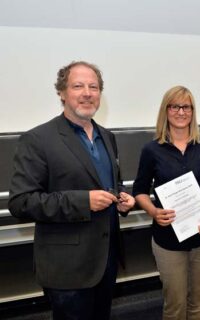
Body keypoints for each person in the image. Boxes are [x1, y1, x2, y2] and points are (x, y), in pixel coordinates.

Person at [8, 61, 136, 319]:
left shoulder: (107, 137)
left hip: (106, 262)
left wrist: (121, 197)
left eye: (94, 87)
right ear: (62, 93)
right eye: (78, 86)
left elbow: (110, 183)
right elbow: (21, 202)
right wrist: (83, 201)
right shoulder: (38, 140)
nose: (87, 93)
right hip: (67, 269)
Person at [133, 85, 200, 320]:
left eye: (186, 107)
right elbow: (139, 192)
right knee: (175, 303)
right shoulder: (152, 150)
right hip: (168, 239)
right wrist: (154, 211)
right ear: (166, 110)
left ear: (193, 112)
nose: (181, 112)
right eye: (175, 106)